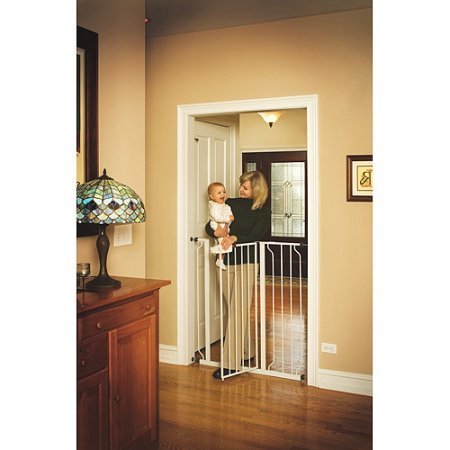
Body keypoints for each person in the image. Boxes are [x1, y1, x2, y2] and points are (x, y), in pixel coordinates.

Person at [205, 171, 270, 378]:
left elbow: (256, 234)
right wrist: (214, 232)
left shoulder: (262, 210)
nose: (240, 189)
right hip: (226, 262)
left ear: (256, 189)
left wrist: (234, 237)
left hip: (247, 262)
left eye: (245, 187)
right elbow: (211, 223)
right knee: (233, 308)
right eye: (241, 185)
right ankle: (248, 351)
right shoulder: (231, 203)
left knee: (238, 310)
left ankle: (230, 364)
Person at [208, 182, 235, 270]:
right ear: (212, 196)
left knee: (224, 242)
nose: (222, 194)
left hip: (225, 225)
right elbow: (217, 218)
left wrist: (229, 218)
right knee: (223, 242)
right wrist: (228, 218)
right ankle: (219, 259)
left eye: (224, 192)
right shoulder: (213, 206)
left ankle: (220, 259)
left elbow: (230, 215)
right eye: (219, 193)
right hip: (216, 225)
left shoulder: (226, 206)